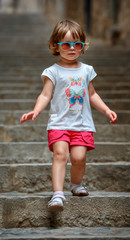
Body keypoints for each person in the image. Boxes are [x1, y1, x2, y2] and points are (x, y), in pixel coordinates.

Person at [20, 19, 117, 211]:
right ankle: (57, 194)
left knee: (79, 158)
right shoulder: (52, 71)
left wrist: (106, 109)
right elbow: (45, 94)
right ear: (56, 46)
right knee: (60, 154)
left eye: (77, 44)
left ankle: (75, 184)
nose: (72, 48)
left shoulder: (87, 70)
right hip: (59, 123)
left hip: (82, 124)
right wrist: (36, 110)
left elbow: (92, 94)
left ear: (82, 46)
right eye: (66, 44)